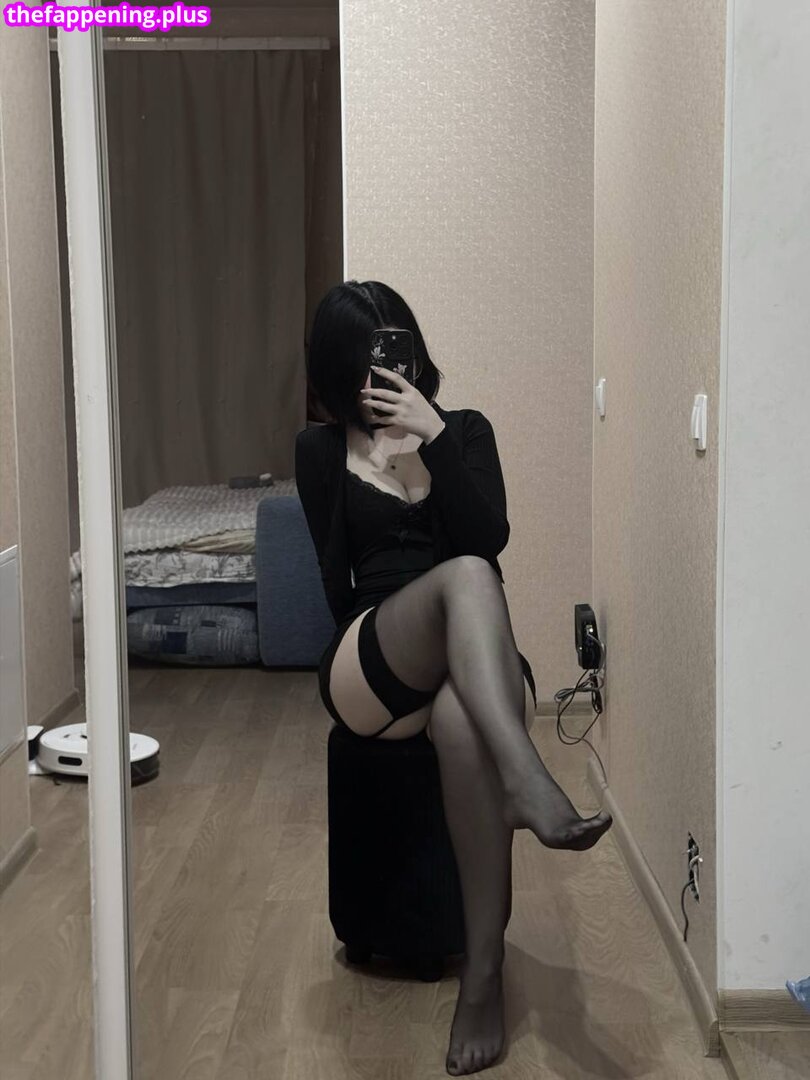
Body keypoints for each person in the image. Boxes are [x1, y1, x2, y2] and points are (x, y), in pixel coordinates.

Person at [295, 280, 613, 1076]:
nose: (383, 372)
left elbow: (487, 534)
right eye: (364, 362)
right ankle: (527, 778)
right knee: (466, 576)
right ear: (337, 372)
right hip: (372, 660)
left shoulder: (464, 431)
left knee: (466, 710)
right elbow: (337, 585)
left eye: (394, 350)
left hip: (470, 668)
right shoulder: (319, 452)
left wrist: (431, 436)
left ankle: (483, 977)